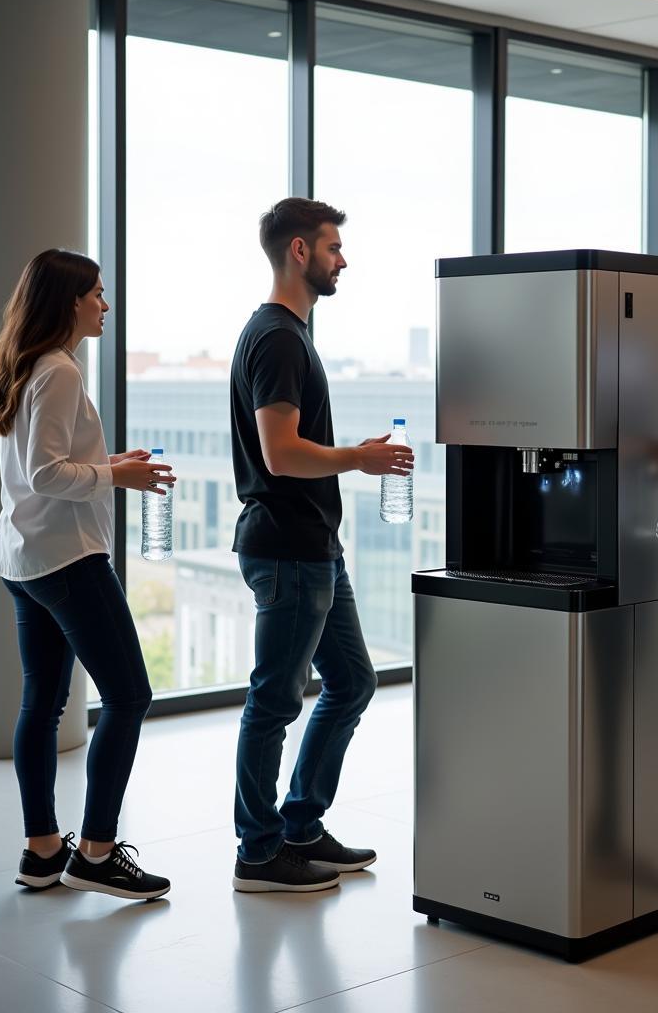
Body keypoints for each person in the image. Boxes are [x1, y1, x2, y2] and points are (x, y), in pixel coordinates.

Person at [0, 248, 175, 900]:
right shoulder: (59, 370)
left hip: (24, 557)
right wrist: (118, 474)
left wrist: (110, 460)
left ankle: (41, 852)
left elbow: (50, 462)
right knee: (129, 696)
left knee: (43, 702)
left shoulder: (29, 365)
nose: (104, 305)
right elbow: (45, 473)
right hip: (67, 558)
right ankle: (94, 851)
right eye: (96, 293)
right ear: (69, 301)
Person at [229, 198, 413, 893]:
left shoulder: (288, 334)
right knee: (275, 700)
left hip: (312, 547)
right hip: (287, 548)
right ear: (300, 252)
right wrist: (357, 459)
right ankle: (258, 850)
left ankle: (301, 823)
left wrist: (349, 457)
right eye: (334, 247)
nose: (344, 259)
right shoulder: (277, 336)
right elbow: (280, 454)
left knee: (352, 680)